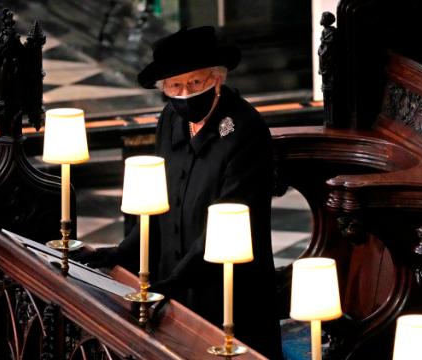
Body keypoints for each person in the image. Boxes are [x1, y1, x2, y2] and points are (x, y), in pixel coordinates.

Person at [77, 26, 283, 359]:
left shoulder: (245, 128)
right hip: (171, 279)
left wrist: (176, 281)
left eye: (195, 82)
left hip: (225, 284)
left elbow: (231, 216)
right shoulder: (170, 118)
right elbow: (159, 202)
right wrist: (120, 252)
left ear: (216, 78)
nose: (185, 93)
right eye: (175, 85)